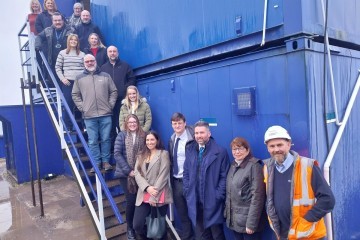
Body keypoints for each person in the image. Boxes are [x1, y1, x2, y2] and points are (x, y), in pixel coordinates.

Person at [263, 125, 335, 240]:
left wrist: (306, 221)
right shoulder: (267, 168)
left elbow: (328, 199)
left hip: (307, 234)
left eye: (279, 145)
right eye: (272, 146)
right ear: (267, 148)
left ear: (288, 144)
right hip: (282, 234)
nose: (276, 149)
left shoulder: (307, 166)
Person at [183, 121, 230, 240]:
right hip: (195, 201)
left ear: (209, 133)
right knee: (201, 236)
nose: (199, 135)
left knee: (217, 235)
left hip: (212, 202)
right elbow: (186, 173)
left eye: (202, 132)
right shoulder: (190, 150)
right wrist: (188, 191)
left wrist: (217, 196)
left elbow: (224, 177)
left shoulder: (220, 152)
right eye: (197, 133)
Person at [72, 54, 118, 173]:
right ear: (84, 63)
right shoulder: (79, 78)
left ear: (95, 61)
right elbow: (75, 95)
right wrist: (83, 107)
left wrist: (110, 105)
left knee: (106, 139)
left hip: (105, 114)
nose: (90, 63)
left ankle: (106, 162)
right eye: (87, 61)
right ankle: (97, 163)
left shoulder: (105, 76)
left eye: (92, 61)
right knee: (92, 141)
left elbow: (113, 91)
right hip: (89, 115)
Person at [133, 131, 173, 239]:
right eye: (147, 140)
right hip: (143, 194)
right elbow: (137, 173)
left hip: (158, 194)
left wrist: (153, 194)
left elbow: (163, 174)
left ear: (157, 140)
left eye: (152, 139)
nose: (149, 142)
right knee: (137, 225)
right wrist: (147, 188)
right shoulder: (141, 155)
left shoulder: (163, 154)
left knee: (159, 227)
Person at [225, 137, 266, 240]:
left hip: (249, 224)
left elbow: (258, 197)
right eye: (234, 149)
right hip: (235, 222)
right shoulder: (233, 165)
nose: (237, 152)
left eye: (240, 149)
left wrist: (251, 224)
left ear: (247, 150)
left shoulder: (254, 166)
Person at [114, 114, 146, 240]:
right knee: (131, 201)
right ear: (126, 123)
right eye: (130, 122)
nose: (132, 124)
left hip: (140, 175)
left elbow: (146, 153)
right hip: (125, 175)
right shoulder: (121, 135)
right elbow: (117, 154)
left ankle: (140, 225)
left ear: (137, 123)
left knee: (142, 201)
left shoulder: (143, 135)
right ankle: (130, 228)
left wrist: (139, 171)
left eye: (134, 122)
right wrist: (129, 171)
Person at [101, 45, 136, 140]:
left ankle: (126, 145)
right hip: (109, 103)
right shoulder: (103, 68)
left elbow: (132, 80)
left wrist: (124, 90)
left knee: (124, 124)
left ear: (117, 53)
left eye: (114, 51)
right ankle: (114, 146)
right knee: (111, 125)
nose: (112, 53)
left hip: (123, 101)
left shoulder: (126, 66)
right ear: (107, 54)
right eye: (110, 51)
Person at [168, 112, 194, 240]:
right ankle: (187, 236)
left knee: (195, 212)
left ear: (184, 123)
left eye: (179, 123)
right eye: (174, 123)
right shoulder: (172, 139)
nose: (177, 125)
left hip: (190, 181)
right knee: (182, 213)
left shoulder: (192, 138)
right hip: (176, 182)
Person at [55, 33, 85, 130]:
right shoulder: (62, 53)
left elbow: (85, 68)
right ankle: (68, 126)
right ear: (68, 41)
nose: (73, 41)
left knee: (82, 104)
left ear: (77, 42)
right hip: (67, 82)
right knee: (68, 103)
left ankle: (83, 125)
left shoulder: (82, 54)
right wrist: (62, 78)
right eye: (71, 40)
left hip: (80, 83)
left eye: (75, 40)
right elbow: (58, 67)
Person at [35, 12, 74, 86]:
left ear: (63, 20)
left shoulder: (71, 30)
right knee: (55, 83)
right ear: (52, 21)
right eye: (55, 21)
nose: (57, 22)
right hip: (53, 63)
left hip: (67, 63)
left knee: (67, 84)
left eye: (59, 20)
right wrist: (38, 45)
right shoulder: (48, 30)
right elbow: (39, 37)